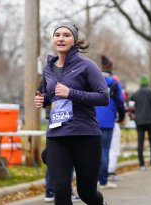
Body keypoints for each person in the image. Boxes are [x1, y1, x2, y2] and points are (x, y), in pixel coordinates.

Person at [34, 22, 109, 205]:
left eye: (66, 35)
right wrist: (44, 99)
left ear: (74, 40)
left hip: (85, 135)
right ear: (53, 40)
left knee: (87, 193)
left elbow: (103, 97)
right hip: (57, 134)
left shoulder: (87, 66)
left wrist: (71, 93)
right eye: (57, 35)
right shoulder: (49, 68)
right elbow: (52, 95)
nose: (61, 38)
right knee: (60, 190)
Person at [38, 79, 81, 203]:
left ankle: (52, 191)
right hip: (59, 117)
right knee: (61, 157)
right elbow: (40, 94)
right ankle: (58, 191)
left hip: (61, 117)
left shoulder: (64, 73)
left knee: (57, 157)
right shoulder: (51, 74)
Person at [96, 55, 125, 189]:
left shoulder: (93, 79)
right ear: (111, 66)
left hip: (93, 119)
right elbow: (120, 102)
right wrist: (122, 116)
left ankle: (93, 179)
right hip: (108, 120)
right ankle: (103, 181)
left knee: (93, 151)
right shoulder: (114, 82)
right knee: (105, 151)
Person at [130, 74, 151, 170]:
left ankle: (142, 164)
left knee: (140, 143)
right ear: (147, 82)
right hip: (150, 121)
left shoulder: (135, 94)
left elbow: (132, 108)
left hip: (139, 121)